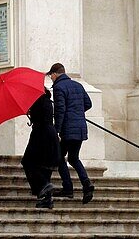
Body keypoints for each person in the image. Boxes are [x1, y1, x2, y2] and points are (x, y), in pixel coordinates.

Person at [48, 62, 94, 204]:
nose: (51, 79)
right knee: (74, 158)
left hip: (68, 129)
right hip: (80, 127)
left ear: (55, 74)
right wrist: (76, 114)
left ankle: (68, 188)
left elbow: (60, 110)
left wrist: (57, 130)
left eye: (51, 76)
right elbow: (88, 104)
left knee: (59, 157)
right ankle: (86, 184)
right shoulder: (78, 85)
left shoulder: (58, 87)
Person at [20, 88, 60, 209]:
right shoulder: (46, 99)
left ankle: (44, 185)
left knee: (28, 162)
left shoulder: (38, 100)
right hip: (50, 134)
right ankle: (46, 199)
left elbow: (38, 119)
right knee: (44, 166)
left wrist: (30, 110)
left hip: (41, 134)